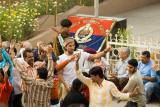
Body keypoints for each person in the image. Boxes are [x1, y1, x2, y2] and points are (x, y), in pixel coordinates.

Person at [74, 54, 139, 107]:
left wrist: (132, 94)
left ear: (97, 76)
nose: (90, 78)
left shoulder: (109, 85)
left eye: (92, 76)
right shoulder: (90, 82)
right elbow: (79, 74)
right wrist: (76, 62)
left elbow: (119, 95)